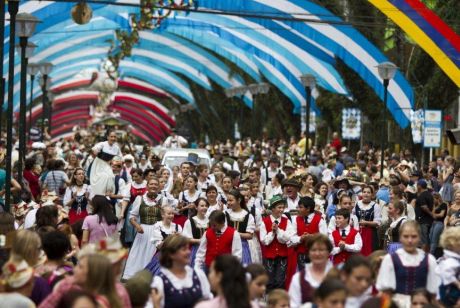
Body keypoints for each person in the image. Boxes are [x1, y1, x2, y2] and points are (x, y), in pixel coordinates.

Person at [376, 221, 439, 307]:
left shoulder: (429, 260)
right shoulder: (390, 259)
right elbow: (385, 292)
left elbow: (433, 293)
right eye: (406, 236)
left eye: (414, 237)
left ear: (419, 237)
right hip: (396, 304)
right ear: (400, 238)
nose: (410, 240)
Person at [39, 254, 130, 308]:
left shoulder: (117, 293)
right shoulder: (66, 285)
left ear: (93, 273)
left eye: (80, 267)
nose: (74, 269)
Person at [150, 234, 211, 308]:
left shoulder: (198, 275)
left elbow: (209, 302)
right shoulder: (159, 281)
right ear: (171, 254)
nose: (189, 252)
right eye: (184, 249)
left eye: (188, 249)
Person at [123, 178, 165, 280]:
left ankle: (151, 275)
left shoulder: (163, 199)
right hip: (143, 230)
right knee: (139, 253)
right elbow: (132, 216)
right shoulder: (140, 199)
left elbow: (166, 215)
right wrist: (137, 226)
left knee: (152, 253)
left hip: (157, 231)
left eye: (156, 184)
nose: (154, 186)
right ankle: (134, 276)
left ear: (159, 186)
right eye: (151, 184)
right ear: (147, 186)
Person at [260, 195, 295, 291]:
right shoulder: (265, 222)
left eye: (283, 207)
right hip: (269, 256)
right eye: (279, 207)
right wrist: (272, 233)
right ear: (272, 208)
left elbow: (289, 237)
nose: (282, 210)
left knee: (280, 280)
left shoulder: (286, 221)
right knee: (269, 280)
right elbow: (264, 241)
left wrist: (278, 230)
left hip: (282, 255)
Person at [288, 234, 334, 307]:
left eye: (321, 250)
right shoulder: (298, 278)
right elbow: (294, 305)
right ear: (308, 253)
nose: (317, 253)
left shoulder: (338, 276)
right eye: (313, 250)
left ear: (328, 252)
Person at [289, 196, 327, 270]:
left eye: (300, 207)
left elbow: (324, 237)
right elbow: (291, 237)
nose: (298, 209)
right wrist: (300, 238)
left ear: (308, 209)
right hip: (301, 254)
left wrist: (312, 237)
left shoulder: (320, 220)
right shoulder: (296, 220)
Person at [145, 206, 182, 275]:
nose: (171, 216)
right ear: (162, 215)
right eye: (169, 214)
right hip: (162, 257)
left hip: (175, 257)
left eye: (172, 213)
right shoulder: (158, 226)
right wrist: (170, 238)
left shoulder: (178, 227)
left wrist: (179, 238)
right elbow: (159, 247)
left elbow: (181, 245)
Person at [225, 189, 255, 265]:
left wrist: (235, 233)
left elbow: (250, 235)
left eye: (231, 200)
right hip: (228, 245)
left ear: (239, 200)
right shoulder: (225, 214)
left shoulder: (248, 215)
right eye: (227, 200)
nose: (228, 203)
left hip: (242, 247)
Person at [89, 130, 121, 196]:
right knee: (101, 178)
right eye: (111, 136)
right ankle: (99, 194)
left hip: (107, 165)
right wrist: (95, 152)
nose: (113, 138)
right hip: (98, 164)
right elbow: (94, 150)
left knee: (111, 177)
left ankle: (108, 194)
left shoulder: (116, 147)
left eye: (114, 137)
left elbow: (120, 158)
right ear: (107, 137)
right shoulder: (102, 144)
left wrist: (116, 162)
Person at [121, 168, 147, 247]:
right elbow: (125, 200)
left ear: (141, 175)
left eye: (136, 176)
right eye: (133, 176)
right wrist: (122, 212)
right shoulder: (130, 185)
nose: (134, 178)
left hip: (144, 208)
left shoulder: (147, 184)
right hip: (132, 208)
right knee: (130, 227)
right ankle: (131, 245)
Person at [353, 185, 381, 256]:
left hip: (370, 233)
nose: (366, 194)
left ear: (372, 194)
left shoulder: (375, 206)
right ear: (362, 193)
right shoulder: (356, 204)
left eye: (368, 192)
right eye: (364, 192)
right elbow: (352, 217)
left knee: (369, 254)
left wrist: (366, 223)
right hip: (357, 232)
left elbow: (377, 223)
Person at [436, 226, 460, 307]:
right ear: (452, 245)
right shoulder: (450, 261)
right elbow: (447, 274)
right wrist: (457, 284)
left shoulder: (447, 258)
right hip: (449, 293)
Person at [182, 197, 209, 267]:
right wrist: (200, 241)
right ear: (196, 207)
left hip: (209, 250)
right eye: (202, 206)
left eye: (206, 206)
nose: (204, 208)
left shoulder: (210, 221)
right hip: (195, 250)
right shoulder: (190, 221)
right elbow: (186, 238)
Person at [414, 179, 433, 251]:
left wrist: (431, 214)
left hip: (422, 221)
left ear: (419, 186)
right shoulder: (429, 194)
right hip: (428, 220)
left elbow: (424, 207)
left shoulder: (422, 195)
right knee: (426, 239)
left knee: (423, 240)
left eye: (417, 185)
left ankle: (423, 257)